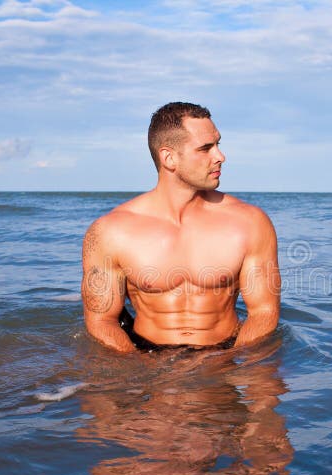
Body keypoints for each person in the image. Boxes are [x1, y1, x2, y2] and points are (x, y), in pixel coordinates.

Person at [81, 102, 280, 352]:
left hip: (225, 353)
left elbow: (264, 312)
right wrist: (141, 370)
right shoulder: (110, 232)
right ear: (169, 158)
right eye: (206, 148)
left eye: (218, 144)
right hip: (146, 356)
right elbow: (101, 321)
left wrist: (233, 364)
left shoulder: (249, 222)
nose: (220, 156)